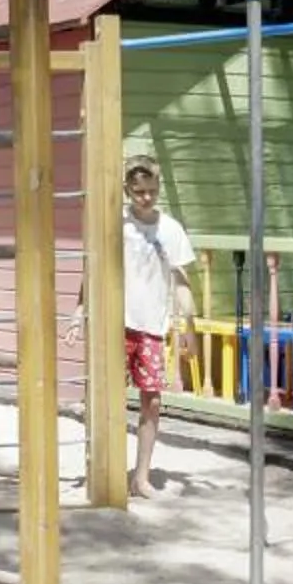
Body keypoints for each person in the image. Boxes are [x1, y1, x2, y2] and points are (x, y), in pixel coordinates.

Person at [119, 158, 195, 498]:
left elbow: (181, 281)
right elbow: (92, 270)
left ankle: (141, 476)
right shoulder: (117, 225)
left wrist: (189, 327)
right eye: (138, 193)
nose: (146, 199)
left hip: (152, 325)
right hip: (118, 322)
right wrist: (80, 310)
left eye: (151, 192)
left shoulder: (171, 229)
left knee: (152, 402)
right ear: (127, 191)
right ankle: (103, 470)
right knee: (106, 398)